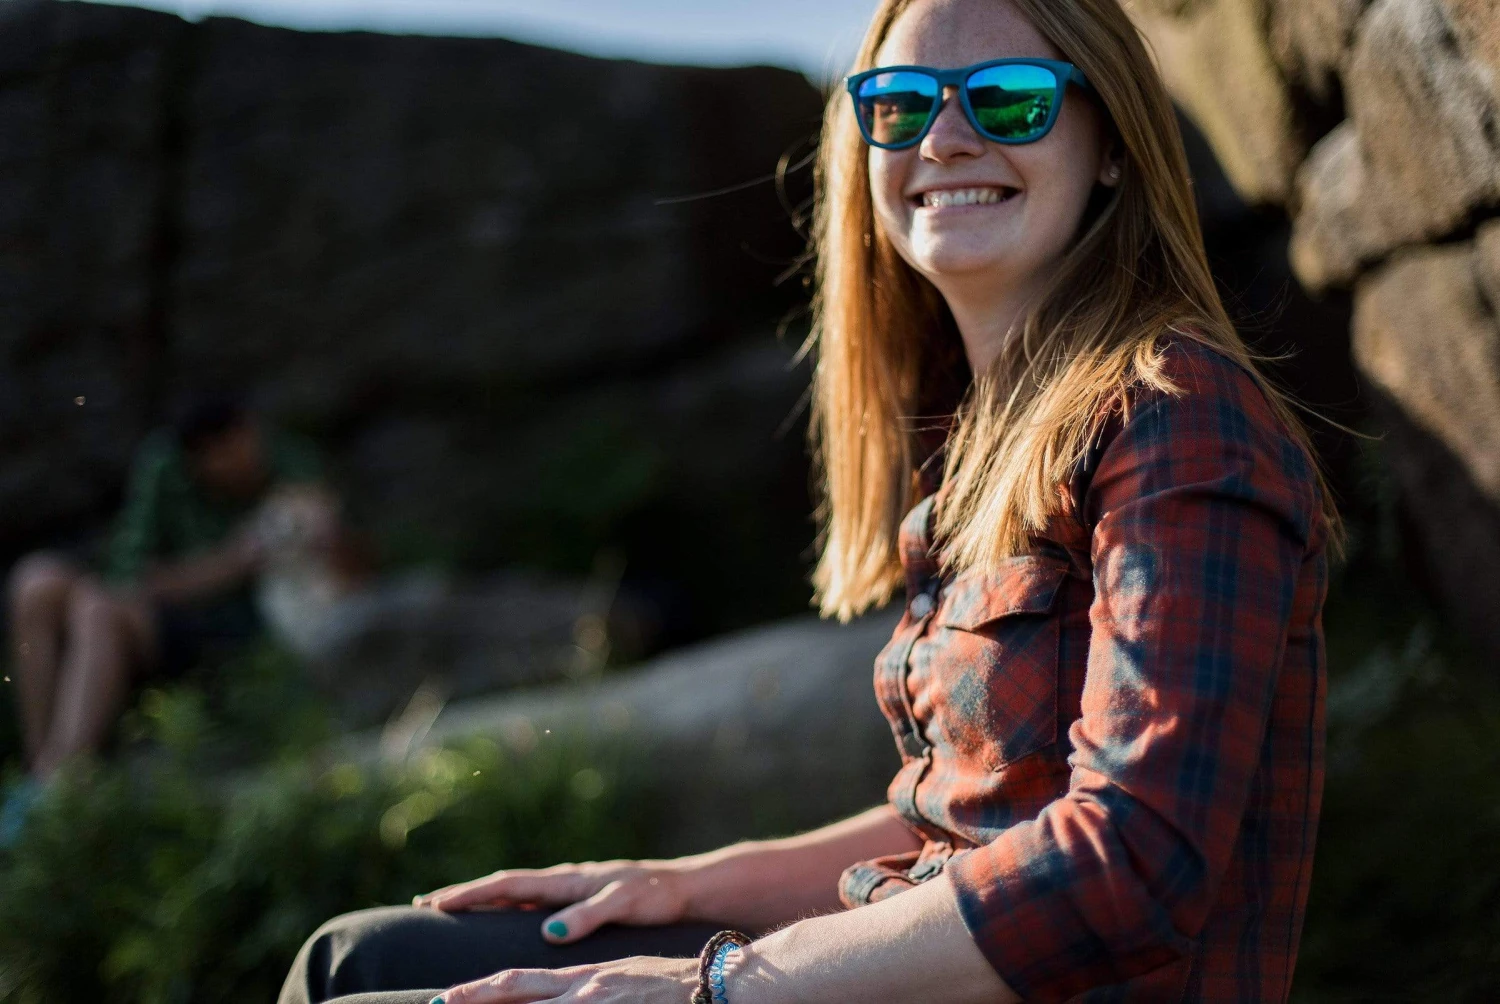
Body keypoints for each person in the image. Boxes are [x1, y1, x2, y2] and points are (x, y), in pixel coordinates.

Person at [279, 0, 1338, 1000]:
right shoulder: (983, 436)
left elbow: (1134, 862)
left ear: (1111, 145)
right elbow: (960, 823)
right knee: (358, 956)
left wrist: (714, 983)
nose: (946, 138)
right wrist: (684, 886)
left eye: (1011, 98)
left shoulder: (1177, 415)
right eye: (901, 104)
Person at [2, 398, 325, 836]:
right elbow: (133, 575)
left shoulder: (292, 461)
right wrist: (227, 563)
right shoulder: (166, 466)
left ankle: (59, 787)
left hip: (228, 635)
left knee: (97, 609)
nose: (235, 460)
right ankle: (39, 769)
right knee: (36, 582)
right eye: (218, 454)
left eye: (241, 444)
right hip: (168, 608)